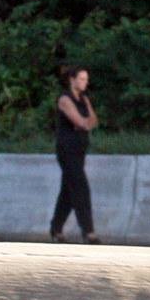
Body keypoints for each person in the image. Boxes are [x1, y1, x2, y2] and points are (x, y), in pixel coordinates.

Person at [50, 65, 101, 244]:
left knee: (68, 191)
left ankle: (56, 229)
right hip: (67, 150)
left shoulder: (84, 99)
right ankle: (89, 231)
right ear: (72, 80)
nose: (84, 82)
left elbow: (92, 121)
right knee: (80, 187)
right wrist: (84, 123)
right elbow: (80, 122)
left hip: (79, 151)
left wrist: (85, 123)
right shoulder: (65, 99)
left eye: (86, 79)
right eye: (81, 79)